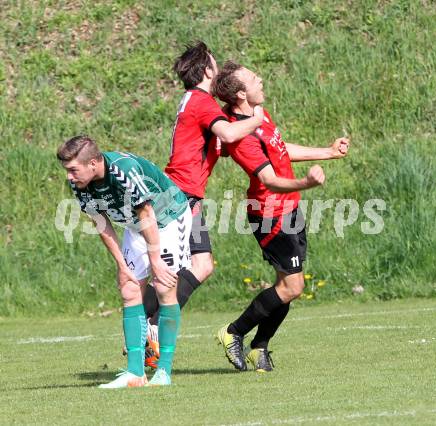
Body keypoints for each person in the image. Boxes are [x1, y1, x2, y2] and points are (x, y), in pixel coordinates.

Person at [213, 62, 350, 372]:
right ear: (240, 93)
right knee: (292, 287)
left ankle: (258, 348)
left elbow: (279, 149)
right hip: (269, 215)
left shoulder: (258, 117)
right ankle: (233, 332)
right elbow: (270, 179)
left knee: (287, 286)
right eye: (252, 78)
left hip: (289, 209)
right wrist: (306, 182)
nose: (260, 78)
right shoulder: (240, 138)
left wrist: (328, 152)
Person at [143, 42, 264, 363]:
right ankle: (147, 327)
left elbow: (215, 140)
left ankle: (146, 325)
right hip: (178, 196)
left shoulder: (192, 101)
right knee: (170, 271)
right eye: (214, 63)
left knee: (201, 264)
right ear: (207, 70)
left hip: (181, 195)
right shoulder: (202, 101)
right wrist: (257, 119)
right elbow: (227, 131)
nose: (218, 67)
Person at [57, 135, 192, 387]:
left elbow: (147, 212)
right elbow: (100, 223)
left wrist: (155, 261)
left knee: (164, 287)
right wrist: (122, 265)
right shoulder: (80, 183)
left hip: (168, 217)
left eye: (73, 170)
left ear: (94, 162)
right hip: (135, 224)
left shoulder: (123, 171)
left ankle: (163, 372)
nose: (69, 176)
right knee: (129, 288)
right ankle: (135, 373)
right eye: (67, 170)